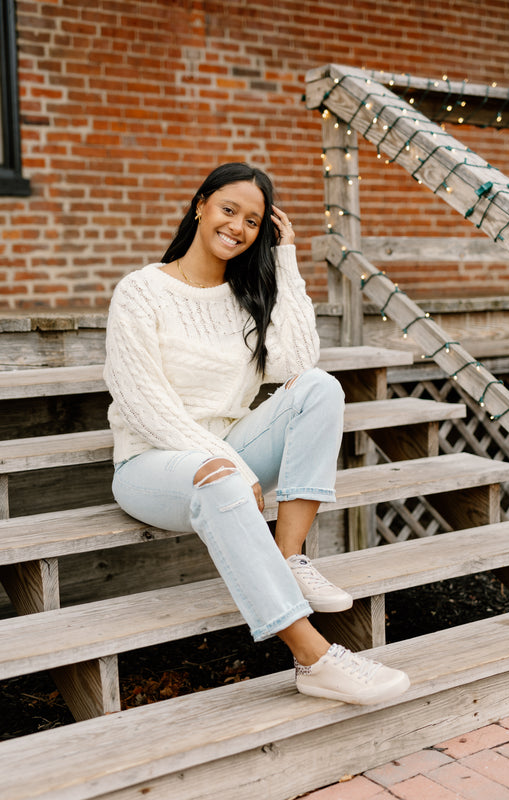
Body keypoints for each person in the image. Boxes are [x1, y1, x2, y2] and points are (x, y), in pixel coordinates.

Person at [104, 162, 410, 705]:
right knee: (220, 480)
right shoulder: (141, 290)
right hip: (150, 463)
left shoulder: (247, 296)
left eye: (253, 220)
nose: (238, 227)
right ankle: (314, 659)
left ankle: (289, 557)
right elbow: (142, 402)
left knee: (319, 388)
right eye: (228, 210)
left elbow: (298, 360)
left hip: (225, 451)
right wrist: (232, 465)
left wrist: (286, 261)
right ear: (200, 205)